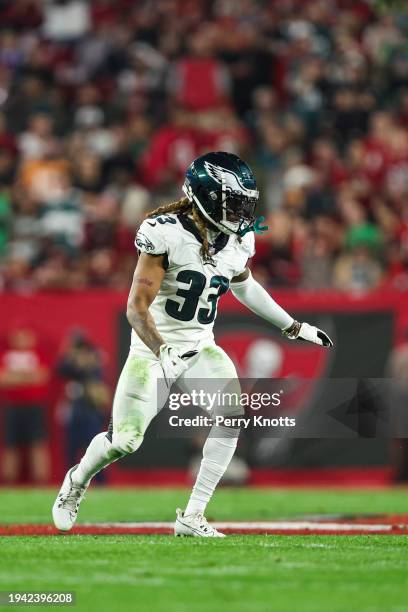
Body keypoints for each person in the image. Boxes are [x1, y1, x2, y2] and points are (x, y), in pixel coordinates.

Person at [52, 151, 332, 536]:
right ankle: (77, 480)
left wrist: (291, 326)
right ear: (206, 197)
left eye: (244, 205)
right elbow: (136, 308)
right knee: (126, 441)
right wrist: (162, 350)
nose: (241, 215)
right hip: (153, 350)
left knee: (231, 418)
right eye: (233, 204)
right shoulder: (164, 231)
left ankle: (193, 516)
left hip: (200, 347)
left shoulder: (238, 239)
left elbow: (244, 284)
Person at [0, 325, 50, 483]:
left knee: (38, 444)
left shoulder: (38, 354)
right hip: (12, 407)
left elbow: (42, 376)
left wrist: (14, 377)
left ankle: (41, 482)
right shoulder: (5, 355)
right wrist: (28, 377)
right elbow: (3, 380)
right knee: (10, 445)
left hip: (34, 406)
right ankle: (8, 481)